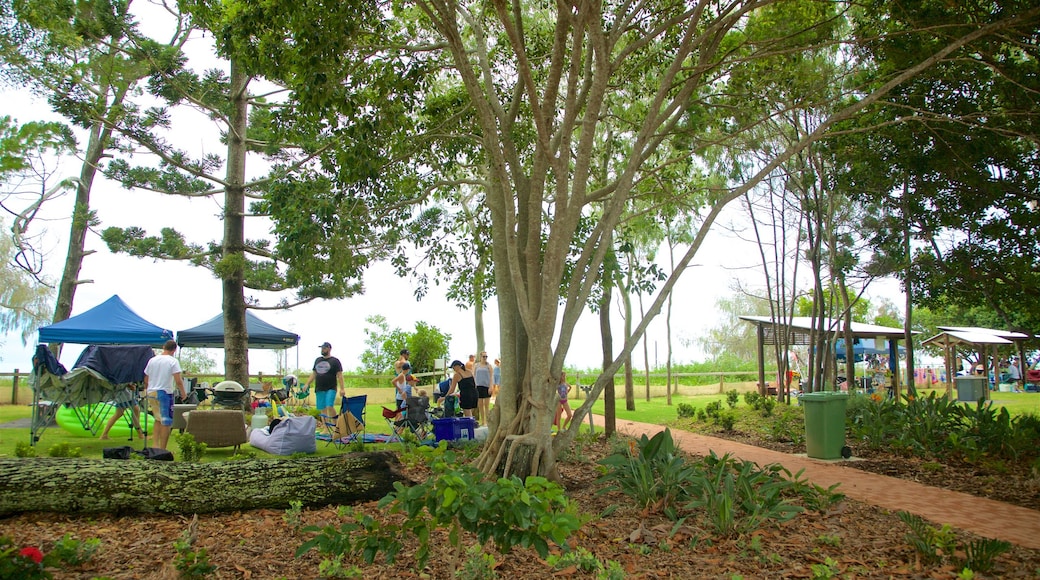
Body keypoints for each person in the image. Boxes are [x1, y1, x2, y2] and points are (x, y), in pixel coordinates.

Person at [144, 340, 188, 450]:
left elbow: (146, 378)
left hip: (151, 391)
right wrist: (183, 393)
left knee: (158, 419)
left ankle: (155, 445)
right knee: (166, 421)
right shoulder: (172, 361)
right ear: (174, 350)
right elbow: (178, 380)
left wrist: (147, 389)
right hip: (164, 392)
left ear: (164, 347)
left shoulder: (152, 360)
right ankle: (163, 449)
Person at [306, 342, 345, 417]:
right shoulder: (318, 360)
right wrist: (307, 384)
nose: (322, 350)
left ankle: (335, 425)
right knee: (322, 408)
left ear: (329, 349)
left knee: (329, 406)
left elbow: (340, 375)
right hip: (319, 388)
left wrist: (342, 389)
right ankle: (326, 428)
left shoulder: (335, 361)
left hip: (331, 387)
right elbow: (314, 373)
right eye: (322, 348)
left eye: (324, 348)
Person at [473, 351, 493, 425]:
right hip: (478, 386)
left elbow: (491, 377)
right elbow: (473, 375)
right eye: (483, 356)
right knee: (480, 404)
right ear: (480, 357)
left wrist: (490, 386)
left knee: (486, 405)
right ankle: (483, 420)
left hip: (486, 386)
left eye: (486, 357)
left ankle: (488, 421)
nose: (485, 358)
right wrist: (474, 386)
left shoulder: (489, 366)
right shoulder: (476, 366)